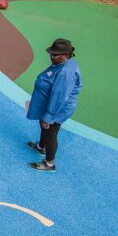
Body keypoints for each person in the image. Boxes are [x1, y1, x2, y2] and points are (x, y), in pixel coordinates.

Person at [26, 38, 82, 172]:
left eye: (55, 55)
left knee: (50, 131)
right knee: (44, 126)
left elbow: (60, 96)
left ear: (66, 55)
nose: (52, 57)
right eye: (51, 54)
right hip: (51, 103)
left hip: (57, 109)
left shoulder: (66, 73)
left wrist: (49, 116)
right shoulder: (62, 64)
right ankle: (41, 147)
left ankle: (49, 163)